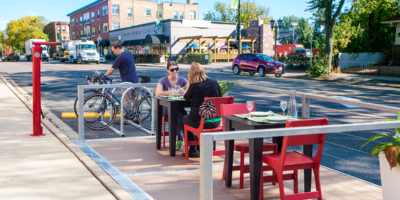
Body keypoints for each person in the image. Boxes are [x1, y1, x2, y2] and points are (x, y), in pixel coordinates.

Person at [180, 62, 222, 157]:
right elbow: (220, 99)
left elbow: (186, 97)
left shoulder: (194, 86)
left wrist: (187, 86)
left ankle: (193, 149)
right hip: (216, 121)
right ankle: (199, 146)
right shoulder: (215, 83)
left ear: (191, 74)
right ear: (203, 71)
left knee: (183, 120)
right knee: (190, 118)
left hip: (200, 123)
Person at [155, 61, 189, 150]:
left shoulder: (182, 79)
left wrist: (184, 92)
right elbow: (158, 93)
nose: (175, 71)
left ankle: (180, 138)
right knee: (180, 113)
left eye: (176, 69)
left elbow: (190, 91)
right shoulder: (163, 80)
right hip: (165, 107)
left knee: (177, 111)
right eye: (172, 69)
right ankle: (184, 137)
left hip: (177, 106)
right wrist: (170, 92)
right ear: (167, 70)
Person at [104, 42, 139, 124]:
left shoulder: (120, 57)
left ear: (118, 48)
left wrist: (104, 76)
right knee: (136, 99)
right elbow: (134, 65)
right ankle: (138, 118)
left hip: (126, 81)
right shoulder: (130, 53)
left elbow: (111, 70)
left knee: (126, 100)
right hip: (135, 79)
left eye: (114, 51)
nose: (114, 53)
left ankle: (124, 119)